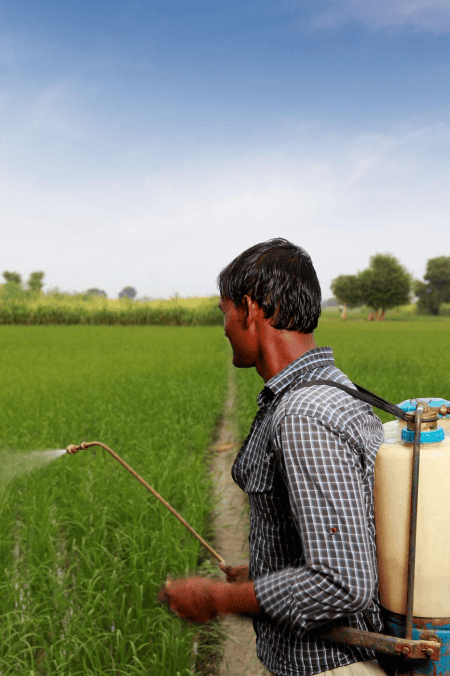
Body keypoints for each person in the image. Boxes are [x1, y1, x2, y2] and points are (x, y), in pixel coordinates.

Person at [157, 238, 387, 676]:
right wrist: (264, 574)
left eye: (224, 314)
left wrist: (214, 599)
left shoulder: (304, 414)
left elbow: (341, 582)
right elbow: (351, 536)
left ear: (249, 309)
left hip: (329, 668)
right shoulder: (335, 388)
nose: (224, 328)